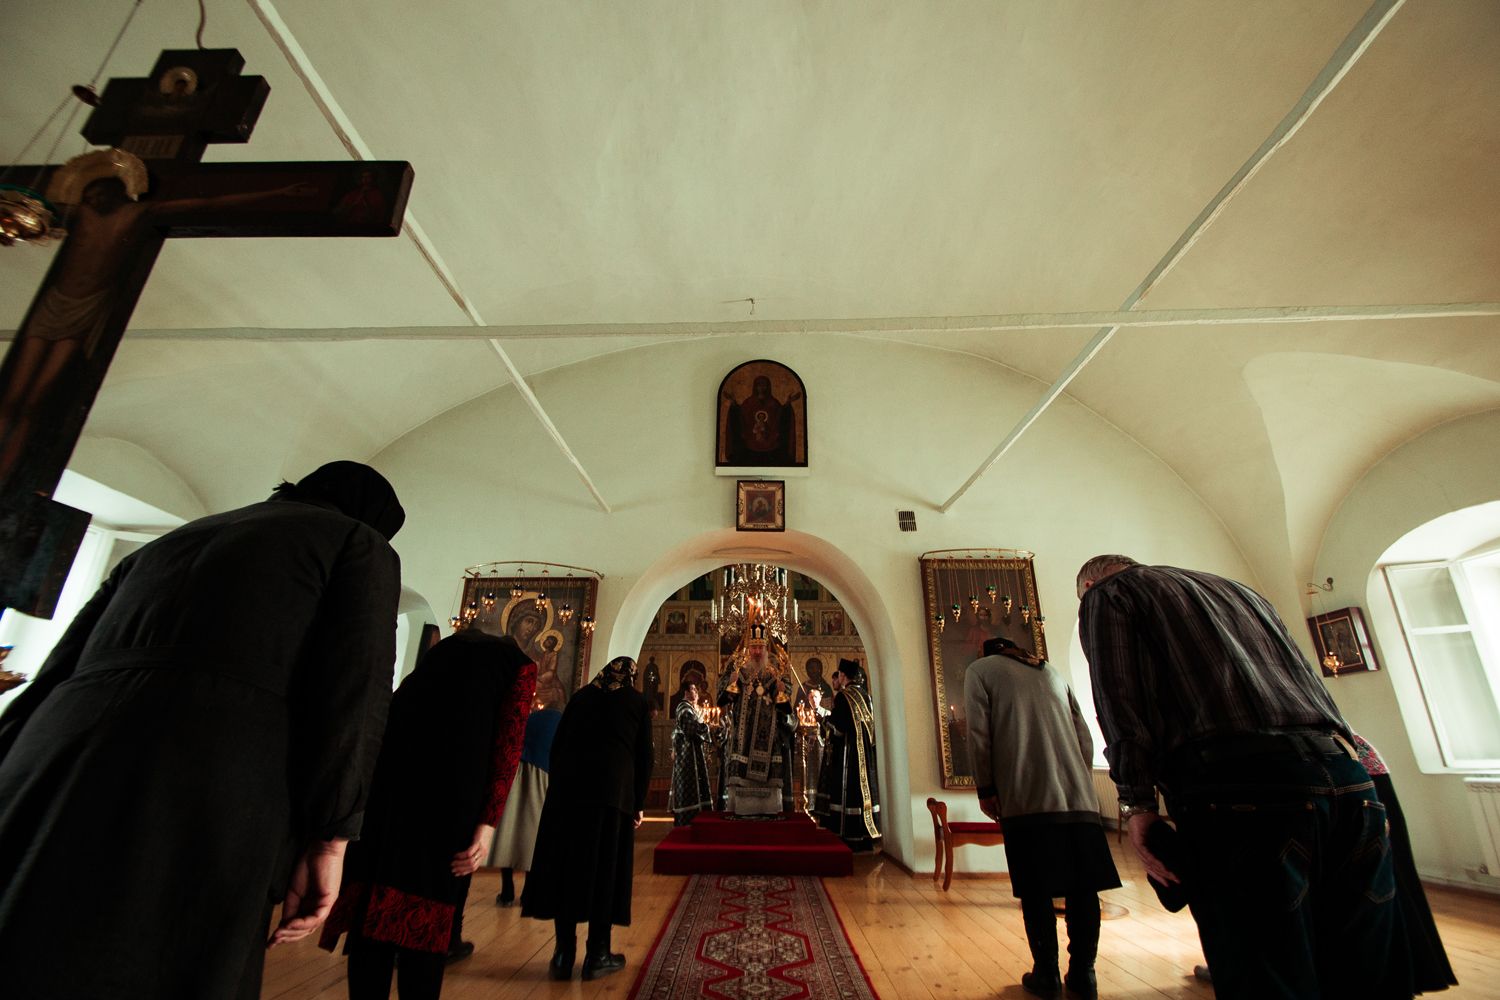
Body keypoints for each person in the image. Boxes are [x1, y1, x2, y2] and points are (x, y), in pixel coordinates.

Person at [0, 461, 405, 1000]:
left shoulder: (168, 542)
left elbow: (58, 666)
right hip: (206, 775)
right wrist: (332, 838)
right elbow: (355, 693)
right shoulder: (358, 542)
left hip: (51, 750)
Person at [1076, 555, 1411, 1000]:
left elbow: (1121, 703)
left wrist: (1136, 805)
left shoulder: (1110, 593)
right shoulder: (1240, 591)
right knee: (1361, 973)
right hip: (1347, 778)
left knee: (1265, 976)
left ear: (1090, 585)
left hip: (1243, 792)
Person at [318, 628, 537, 999]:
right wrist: (487, 825)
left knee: (371, 924)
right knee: (426, 929)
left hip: (388, 793)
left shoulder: (441, 653)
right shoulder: (518, 666)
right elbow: (509, 746)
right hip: (449, 801)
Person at [964, 636, 1119, 1000]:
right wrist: (1077, 778)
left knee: (1036, 889)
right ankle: (1084, 974)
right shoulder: (1052, 672)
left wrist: (986, 787)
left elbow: (978, 734)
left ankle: (1046, 973)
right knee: (1084, 889)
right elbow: (1084, 736)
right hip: (1077, 799)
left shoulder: (980, 672)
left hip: (1027, 796)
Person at [521, 656, 652, 982]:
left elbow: (559, 746)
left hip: (568, 795)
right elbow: (644, 757)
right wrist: (637, 802)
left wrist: (559, 788)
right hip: (611, 797)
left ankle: (562, 954)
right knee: (604, 873)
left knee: (568, 869)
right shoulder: (636, 702)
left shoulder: (580, 697)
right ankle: (598, 954)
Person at [490, 697, 564, 907]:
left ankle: (507, 891)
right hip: (543, 776)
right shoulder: (562, 722)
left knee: (509, 832)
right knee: (533, 835)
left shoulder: (531, 718)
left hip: (515, 774)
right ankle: (528, 894)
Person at [718, 628, 795, 816]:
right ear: (748, 649)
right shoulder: (739, 672)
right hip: (742, 736)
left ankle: (768, 808)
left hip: (768, 736)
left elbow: (786, 709)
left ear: (766, 649)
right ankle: (741, 808)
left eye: (761, 647)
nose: (757, 652)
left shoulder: (774, 674)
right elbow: (723, 701)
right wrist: (731, 684)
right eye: (754, 648)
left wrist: (782, 691)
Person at [814, 659, 881, 850]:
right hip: (866, 754)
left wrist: (824, 721)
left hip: (849, 753)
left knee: (849, 788)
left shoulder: (844, 696)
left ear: (843, 676)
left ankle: (848, 833)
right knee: (862, 789)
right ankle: (866, 832)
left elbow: (838, 728)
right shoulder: (865, 696)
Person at [670, 679, 716, 825]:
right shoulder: (684, 708)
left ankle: (698, 818)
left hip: (692, 753)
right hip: (687, 756)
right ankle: (687, 819)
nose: (696, 692)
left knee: (695, 784)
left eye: (696, 690)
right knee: (688, 785)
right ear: (686, 692)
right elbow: (691, 729)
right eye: (693, 689)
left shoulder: (691, 708)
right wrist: (706, 727)